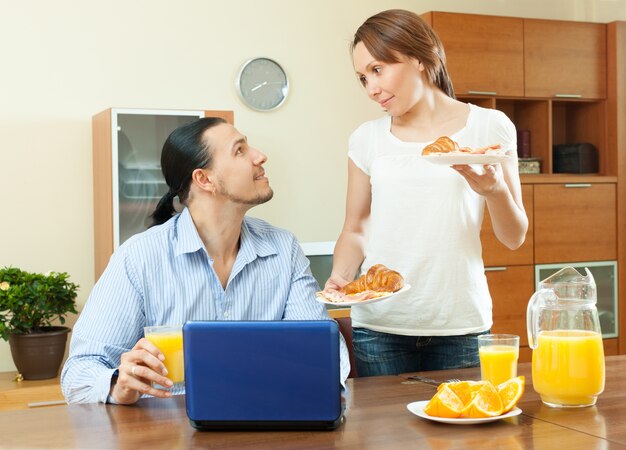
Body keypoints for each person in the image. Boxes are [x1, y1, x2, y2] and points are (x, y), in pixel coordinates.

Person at [62, 117, 350, 404]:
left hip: (266, 426)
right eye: (239, 150)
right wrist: (118, 385)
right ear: (204, 179)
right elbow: (78, 374)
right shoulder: (139, 258)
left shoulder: (283, 249)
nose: (260, 156)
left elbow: (321, 353)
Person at [324, 9, 528, 377]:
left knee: (462, 434)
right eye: (362, 78)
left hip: (460, 324)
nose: (371, 88)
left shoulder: (489, 127)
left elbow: (514, 237)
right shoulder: (366, 138)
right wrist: (341, 276)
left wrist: (495, 192)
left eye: (377, 69)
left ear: (420, 57)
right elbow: (356, 227)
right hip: (380, 326)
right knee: (386, 435)